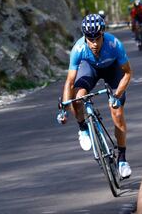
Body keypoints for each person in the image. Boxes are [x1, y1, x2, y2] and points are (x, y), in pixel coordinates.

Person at [57, 14, 133, 178]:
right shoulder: (78, 49)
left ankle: (122, 159)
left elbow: (127, 73)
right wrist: (64, 108)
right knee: (77, 97)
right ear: (84, 37)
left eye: (97, 38)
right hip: (89, 68)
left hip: (112, 69)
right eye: (89, 39)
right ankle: (83, 128)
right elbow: (69, 82)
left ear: (103, 34)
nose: (93, 43)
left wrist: (116, 95)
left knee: (117, 112)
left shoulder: (114, 44)